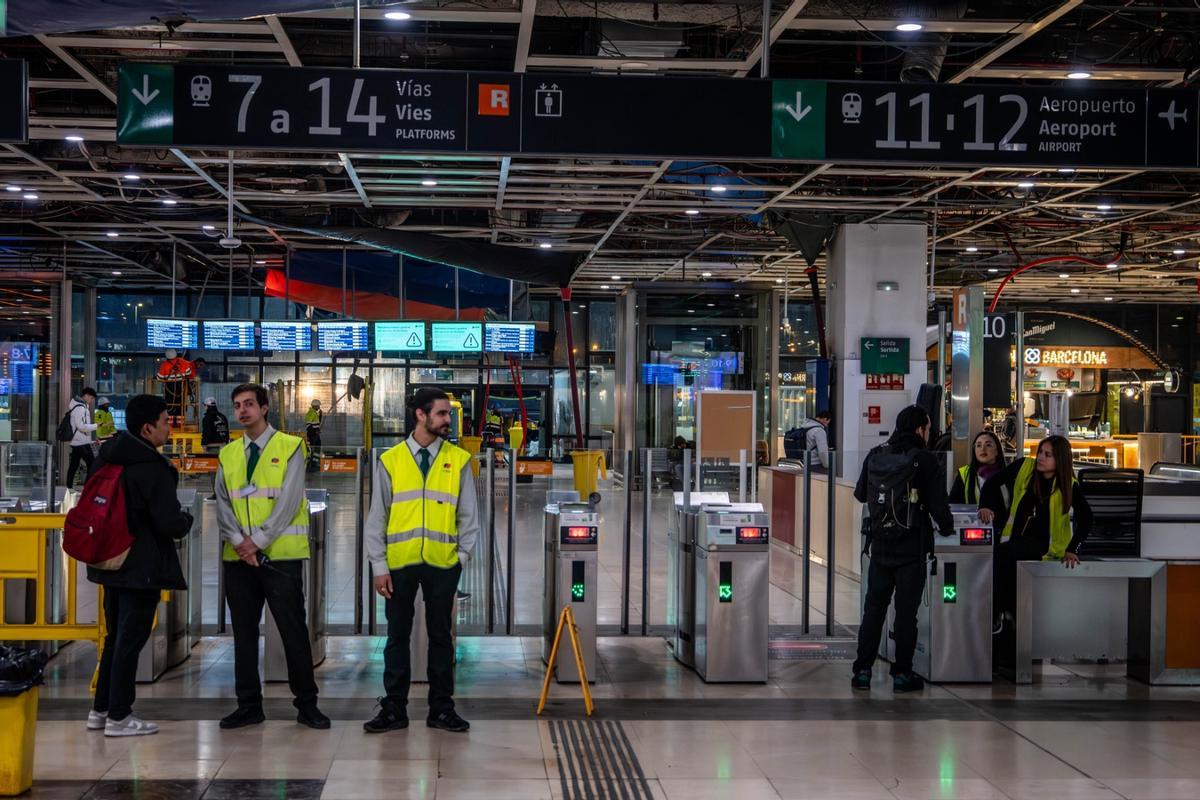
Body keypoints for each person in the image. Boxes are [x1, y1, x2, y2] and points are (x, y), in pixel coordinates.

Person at [363, 388, 478, 734]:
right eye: (442, 413)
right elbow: (377, 517)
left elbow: (469, 517)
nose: (447, 420)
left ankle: (441, 708)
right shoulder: (391, 460)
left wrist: (461, 559)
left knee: (441, 637)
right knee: (397, 636)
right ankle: (394, 708)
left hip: (443, 564)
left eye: (448, 414)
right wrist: (379, 566)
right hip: (399, 564)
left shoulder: (458, 460)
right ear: (421, 415)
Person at [215, 383, 328, 731]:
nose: (242, 410)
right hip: (238, 559)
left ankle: (307, 704)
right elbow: (222, 502)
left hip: (280, 558)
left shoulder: (290, 447)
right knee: (244, 633)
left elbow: (290, 500)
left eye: (249, 404)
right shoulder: (228, 454)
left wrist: (257, 541)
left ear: (265, 408)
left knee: (293, 631)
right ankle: (248, 704)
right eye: (237, 405)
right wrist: (239, 541)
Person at [87, 394, 194, 737]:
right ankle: (120, 715)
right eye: (165, 422)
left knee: (114, 637)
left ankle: (100, 710)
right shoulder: (153, 467)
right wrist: (186, 520)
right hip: (141, 566)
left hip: (109, 561)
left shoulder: (107, 457)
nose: (169, 428)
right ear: (147, 428)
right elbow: (169, 522)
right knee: (130, 641)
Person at [851, 405, 955, 693]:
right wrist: (948, 528)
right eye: (928, 428)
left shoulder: (876, 453)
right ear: (921, 429)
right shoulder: (924, 459)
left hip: (880, 546)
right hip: (912, 548)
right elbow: (938, 506)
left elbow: (860, 494)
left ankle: (862, 671)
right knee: (906, 614)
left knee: (874, 609)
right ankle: (902, 674)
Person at [978, 435, 1092, 631]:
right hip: (1015, 540)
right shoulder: (1024, 466)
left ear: (1060, 460)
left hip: (1045, 546)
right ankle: (1003, 615)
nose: (1040, 458)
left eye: (1048, 455)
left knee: (1002, 555)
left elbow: (1087, 518)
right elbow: (991, 483)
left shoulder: (1068, 485)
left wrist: (1072, 549)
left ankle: (997, 613)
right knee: (1000, 559)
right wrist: (984, 506)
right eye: (1040, 452)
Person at [949, 431, 1006, 505]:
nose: (983, 449)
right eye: (979, 445)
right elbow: (953, 504)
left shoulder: (1008, 474)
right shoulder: (964, 474)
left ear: (997, 451)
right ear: (974, 450)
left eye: (988, 445)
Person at [65, 387, 99, 488]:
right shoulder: (80, 408)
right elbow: (81, 426)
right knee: (92, 464)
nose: (92, 401)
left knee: (74, 464)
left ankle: (69, 487)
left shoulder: (80, 407)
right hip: (81, 442)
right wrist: (96, 426)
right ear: (86, 396)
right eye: (91, 398)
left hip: (78, 441)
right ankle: (88, 487)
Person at [304, 399, 323, 472]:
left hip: (315, 434)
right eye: (318, 406)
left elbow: (317, 423)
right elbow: (308, 425)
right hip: (312, 435)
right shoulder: (311, 413)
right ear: (315, 406)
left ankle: (315, 462)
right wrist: (315, 432)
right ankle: (312, 464)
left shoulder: (314, 413)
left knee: (317, 447)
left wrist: (320, 416)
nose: (319, 407)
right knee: (313, 448)